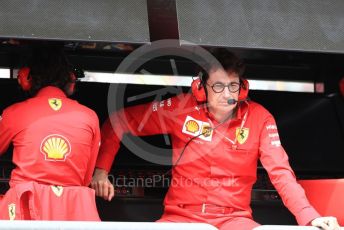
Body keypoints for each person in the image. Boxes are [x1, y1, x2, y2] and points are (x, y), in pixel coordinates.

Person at [91, 49, 339, 229]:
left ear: (243, 87)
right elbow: (117, 122)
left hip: (236, 220)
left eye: (233, 85)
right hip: (181, 219)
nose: (227, 94)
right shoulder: (180, 108)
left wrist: (310, 216)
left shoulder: (260, 118)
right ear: (201, 88)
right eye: (218, 86)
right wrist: (101, 171)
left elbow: (281, 172)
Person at [0, 43, 100, 221]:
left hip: (24, 213)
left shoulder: (13, 113)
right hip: (76, 213)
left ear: (25, 78)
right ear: (70, 81)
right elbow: (86, 178)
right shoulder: (90, 116)